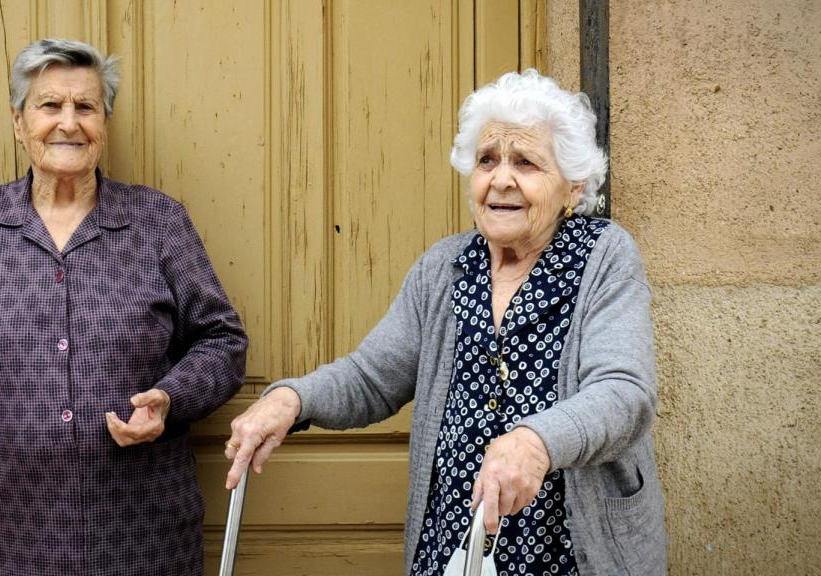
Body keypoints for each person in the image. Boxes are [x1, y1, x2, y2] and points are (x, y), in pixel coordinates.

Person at [224, 69, 666, 575]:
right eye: (486, 161)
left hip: (570, 551)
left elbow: (624, 391)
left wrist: (537, 441)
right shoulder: (445, 267)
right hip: (454, 542)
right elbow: (373, 375)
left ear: (573, 185)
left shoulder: (604, 257)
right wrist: (292, 398)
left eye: (525, 163)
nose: (501, 179)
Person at [0, 38, 247, 576]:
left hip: (145, 537)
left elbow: (222, 342)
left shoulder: (157, 221)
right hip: (18, 537)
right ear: (18, 122)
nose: (68, 122)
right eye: (49, 105)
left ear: (104, 123)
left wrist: (170, 397)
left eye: (86, 107)